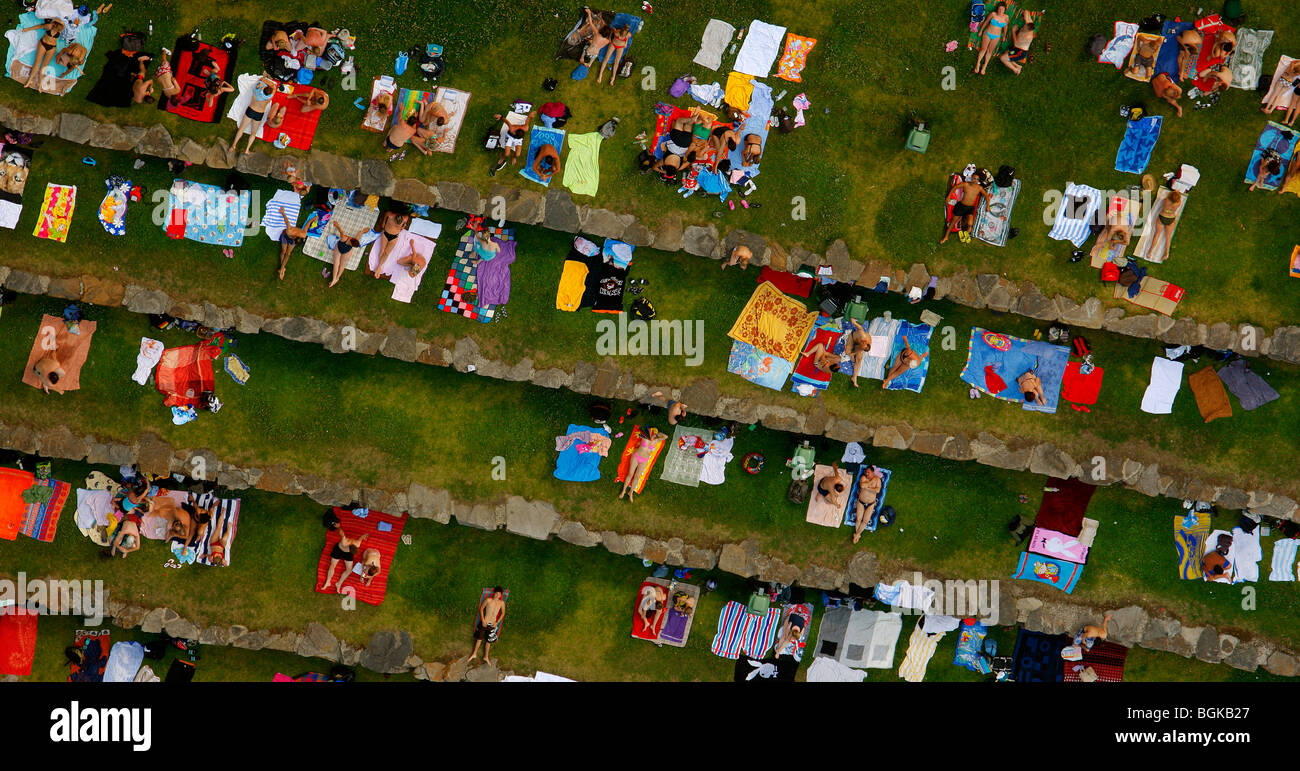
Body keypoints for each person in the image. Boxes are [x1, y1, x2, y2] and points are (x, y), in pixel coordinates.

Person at [233, 74, 277, 154]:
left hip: (251, 110)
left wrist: (264, 80)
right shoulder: (269, 98)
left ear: (264, 88)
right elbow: (274, 86)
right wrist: (269, 84)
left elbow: (261, 79)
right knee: (253, 133)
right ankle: (247, 149)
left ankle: (234, 145)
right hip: (259, 114)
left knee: (241, 129)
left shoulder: (258, 89)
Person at [326, 221, 377, 288]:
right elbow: (343, 231)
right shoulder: (348, 239)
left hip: (342, 249)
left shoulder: (345, 238)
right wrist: (363, 231)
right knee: (339, 263)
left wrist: (337, 225)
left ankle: (336, 278)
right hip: (343, 249)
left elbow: (341, 231)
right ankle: (335, 278)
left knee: (339, 264)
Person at [321, 522, 367, 593]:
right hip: (339, 550)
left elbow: (360, 539)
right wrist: (338, 527)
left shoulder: (357, 544)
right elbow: (342, 534)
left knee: (349, 570)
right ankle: (328, 582)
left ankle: (338, 584)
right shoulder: (345, 542)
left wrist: (363, 536)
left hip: (348, 554)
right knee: (332, 565)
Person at [619, 426, 662, 501]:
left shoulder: (656, 441)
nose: (653, 435)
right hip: (636, 456)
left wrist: (657, 435)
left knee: (637, 476)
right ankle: (623, 491)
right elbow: (646, 429)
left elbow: (665, 436)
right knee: (630, 473)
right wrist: (650, 431)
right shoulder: (645, 437)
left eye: (655, 435)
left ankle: (631, 492)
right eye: (652, 433)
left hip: (644, 460)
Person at [21, 18, 64, 92]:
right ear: (55, 25)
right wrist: (27, 29)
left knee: (44, 66)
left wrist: (57, 21)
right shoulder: (49, 26)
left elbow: (62, 23)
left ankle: (40, 84)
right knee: (37, 63)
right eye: (56, 28)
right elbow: (39, 26)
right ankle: (29, 81)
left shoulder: (60, 29)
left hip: (52, 48)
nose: (57, 31)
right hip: (43, 44)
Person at [941, 177, 987, 243]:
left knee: (970, 223)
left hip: (970, 208)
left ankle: (966, 234)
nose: (975, 180)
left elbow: (986, 196)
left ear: (978, 181)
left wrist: (987, 205)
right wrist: (948, 196)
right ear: (971, 179)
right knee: (953, 221)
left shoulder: (979, 188)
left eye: (977, 179)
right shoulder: (965, 184)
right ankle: (946, 237)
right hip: (961, 206)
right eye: (974, 178)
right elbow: (955, 187)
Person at [368, 209, 413, 277]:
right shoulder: (390, 214)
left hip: (394, 237)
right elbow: (383, 224)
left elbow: (402, 227)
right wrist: (386, 227)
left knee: (386, 253)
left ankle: (379, 266)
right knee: (382, 250)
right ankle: (379, 267)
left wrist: (398, 228)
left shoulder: (405, 218)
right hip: (386, 234)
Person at [469, 587, 507, 666]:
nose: (497, 595)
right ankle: (474, 654)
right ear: (494, 593)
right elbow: (481, 609)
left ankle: (486, 656)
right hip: (484, 622)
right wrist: (482, 620)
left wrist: (497, 622)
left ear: (501, 595)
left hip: (492, 624)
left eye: (499, 594)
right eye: (496, 593)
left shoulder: (501, 603)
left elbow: (503, 613)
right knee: (479, 639)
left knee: (488, 641)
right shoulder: (488, 600)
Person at [490, 110, 531, 175]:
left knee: (518, 154)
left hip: (518, 140)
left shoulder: (525, 128)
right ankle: (502, 157)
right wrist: (501, 117)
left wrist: (529, 116)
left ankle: (514, 157)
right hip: (510, 137)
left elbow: (527, 121)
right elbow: (507, 122)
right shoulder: (512, 128)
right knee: (507, 153)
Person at [973, 2, 1010, 76]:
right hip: (987, 33)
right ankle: (978, 64)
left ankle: (984, 66)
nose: (1000, 10)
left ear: (1004, 10)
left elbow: (1005, 27)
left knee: (990, 51)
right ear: (997, 9)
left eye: (1002, 9)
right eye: (999, 9)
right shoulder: (993, 14)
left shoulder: (1006, 17)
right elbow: (986, 22)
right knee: (983, 49)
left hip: (996, 36)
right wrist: (980, 31)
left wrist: (1004, 36)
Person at [998, 11, 1038, 75]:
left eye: (1024, 28)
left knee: (1002, 58)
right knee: (1006, 53)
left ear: (1028, 30)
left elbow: (1016, 43)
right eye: (1024, 26)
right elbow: (1026, 12)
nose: (1023, 27)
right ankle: (1018, 66)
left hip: (1020, 52)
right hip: (1017, 49)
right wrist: (1025, 15)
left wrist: (1013, 31)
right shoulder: (1029, 24)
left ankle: (1016, 70)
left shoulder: (1027, 37)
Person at [274, 205, 307, 280]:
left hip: (292, 240)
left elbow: (307, 226)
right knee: (283, 251)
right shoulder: (289, 231)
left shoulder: (302, 235)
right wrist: (283, 213)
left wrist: (312, 219)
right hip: (285, 237)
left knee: (288, 253)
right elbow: (287, 221)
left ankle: (282, 268)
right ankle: (282, 269)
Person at [852, 466, 883, 544]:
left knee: (865, 521)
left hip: (871, 503)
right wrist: (870, 484)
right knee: (858, 519)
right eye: (866, 472)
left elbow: (877, 490)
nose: (866, 473)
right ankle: (857, 535)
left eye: (868, 472)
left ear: (873, 472)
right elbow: (862, 486)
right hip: (861, 502)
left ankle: (857, 535)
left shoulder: (878, 480)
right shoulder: (863, 477)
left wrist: (867, 487)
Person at [1147, 189, 1181, 258]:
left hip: (1162, 217)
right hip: (1171, 218)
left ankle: (1150, 252)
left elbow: (1169, 196)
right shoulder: (1178, 203)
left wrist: (1174, 192)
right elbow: (1177, 198)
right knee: (1168, 237)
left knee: (1157, 235)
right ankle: (1167, 254)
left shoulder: (1166, 200)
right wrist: (1177, 193)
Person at [844, 319, 871, 387]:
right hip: (853, 337)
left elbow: (858, 350)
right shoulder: (863, 336)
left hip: (858, 345)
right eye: (862, 346)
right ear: (863, 342)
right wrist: (854, 322)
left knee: (859, 359)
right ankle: (852, 357)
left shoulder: (864, 346)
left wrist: (857, 351)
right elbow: (860, 328)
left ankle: (854, 377)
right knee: (847, 352)